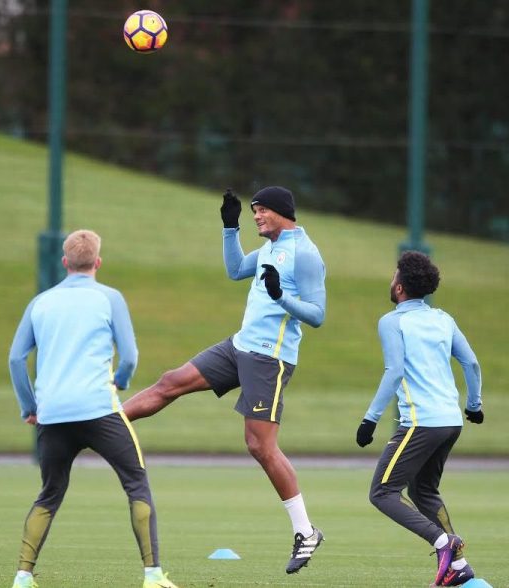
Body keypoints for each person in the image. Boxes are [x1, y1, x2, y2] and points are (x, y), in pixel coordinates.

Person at [123, 186, 327, 575]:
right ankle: (104, 423)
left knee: (259, 446)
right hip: (240, 346)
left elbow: (317, 315)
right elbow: (235, 271)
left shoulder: (306, 254)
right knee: (171, 381)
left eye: (261, 210)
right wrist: (229, 228)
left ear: (283, 211)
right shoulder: (269, 248)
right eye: (252, 212)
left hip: (271, 358)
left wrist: (281, 297)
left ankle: (306, 531)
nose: (256, 217)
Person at [7, 229, 179, 588]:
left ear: (64, 262)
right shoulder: (110, 297)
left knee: (50, 494)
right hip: (99, 410)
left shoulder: (40, 302)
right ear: (98, 262)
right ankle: (152, 575)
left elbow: (15, 358)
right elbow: (130, 355)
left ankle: (22, 576)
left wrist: (30, 406)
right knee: (136, 484)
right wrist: (121, 380)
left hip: (52, 415)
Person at [355, 251, 483, 586]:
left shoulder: (392, 320)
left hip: (421, 422)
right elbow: (471, 364)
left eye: (393, 275)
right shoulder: (443, 319)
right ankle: (460, 566)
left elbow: (394, 370)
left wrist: (369, 419)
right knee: (424, 491)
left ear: (399, 287)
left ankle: (444, 543)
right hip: (450, 421)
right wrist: (474, 404)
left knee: (382, 492)